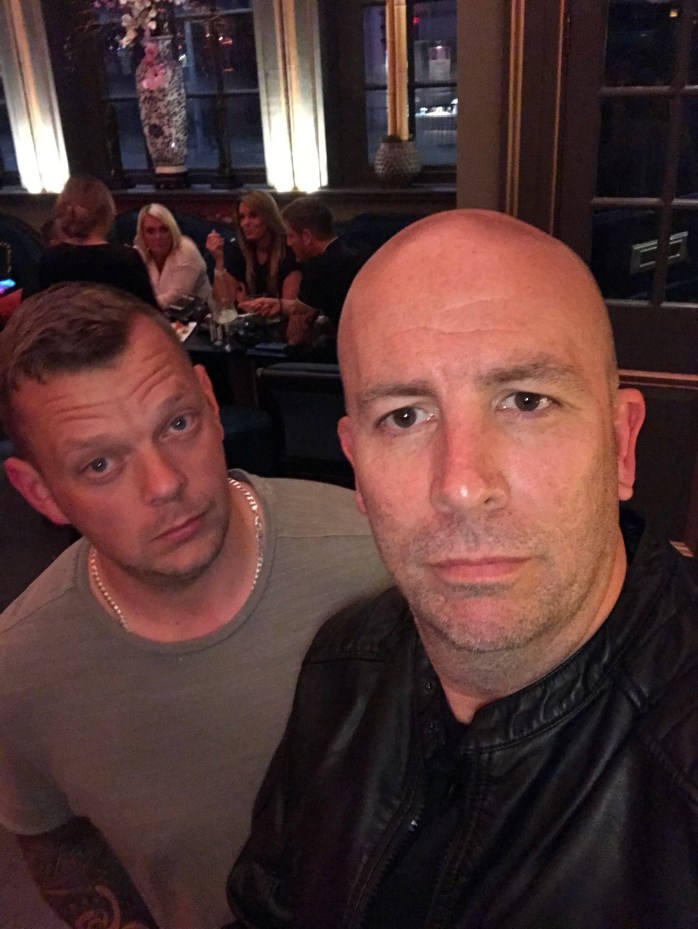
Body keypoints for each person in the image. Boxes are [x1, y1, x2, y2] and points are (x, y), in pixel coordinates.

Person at [227, 210, 698, 928]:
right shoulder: (342, 665)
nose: (462, 485)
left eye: (527, 401)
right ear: (356, 468)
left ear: (621, 446)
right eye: (405, 416)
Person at [0, 282, 390, 929]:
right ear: (40, 492)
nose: (165, 484)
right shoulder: (19, 673)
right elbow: (59, 846)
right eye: (100, 464)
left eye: (177, 424)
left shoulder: (378, 561)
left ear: (210, 403)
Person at [245, 196, 359, 350]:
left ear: (306, 237)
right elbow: (308, 306)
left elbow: (296, 337)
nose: (288, 243)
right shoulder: (349, 253)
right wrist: (279, 305)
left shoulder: (319, 266)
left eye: (290, 236)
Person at [38, 175, 157, 307]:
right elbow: (150, 313)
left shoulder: (50, 259)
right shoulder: (126, 260)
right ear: (107, 212)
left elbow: (31, 310)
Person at [205, 190, 301, 307]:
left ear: (269, 217)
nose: (245, 223)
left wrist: (249, 305)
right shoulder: (238, 249)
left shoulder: (289, 249)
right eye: (242, 217)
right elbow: (223, 304)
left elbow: (291, 309)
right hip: (246, 317)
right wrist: (219, 261)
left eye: (253, 216)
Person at [134, 202, 212, 310]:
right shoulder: (138, 253)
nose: (158, 236)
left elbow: (175, 298)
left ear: (172, 230)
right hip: (155, 315)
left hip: (198, 315)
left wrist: (136, 307)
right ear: (142, 234)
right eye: (150, 231)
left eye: (163, 229)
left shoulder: (186, 250)